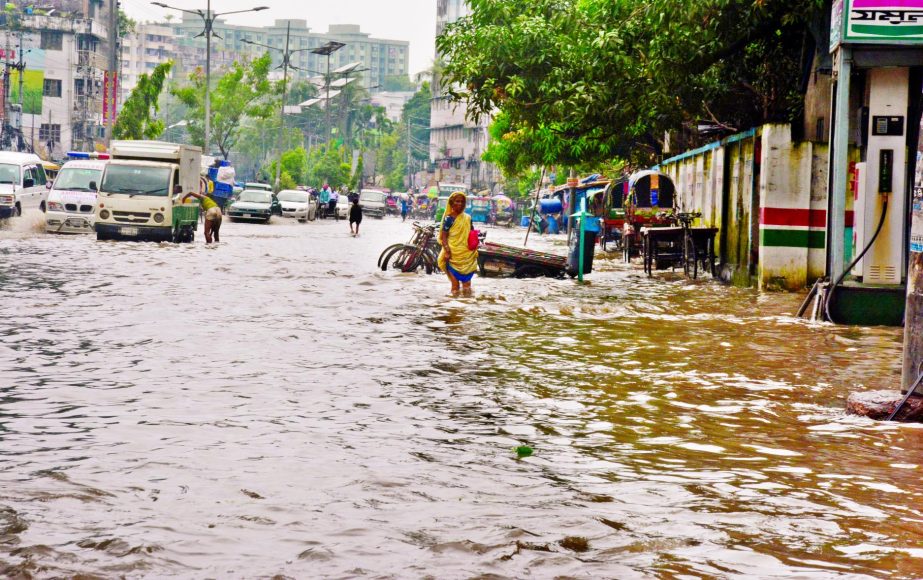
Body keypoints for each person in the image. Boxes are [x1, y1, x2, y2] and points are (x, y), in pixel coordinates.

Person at [438, 191, 478, 297]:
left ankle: (464, 308)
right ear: (452, 203)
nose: (459, 204)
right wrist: (447, 250)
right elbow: (444, 237)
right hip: (452, 255)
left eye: (462, 202)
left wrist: (475, 245)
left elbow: (471, 233)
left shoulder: (468, 218)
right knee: (455, 286)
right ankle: (453, 310)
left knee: (467, 286)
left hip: (466, 256)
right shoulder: (449, 219)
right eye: (457, 201)